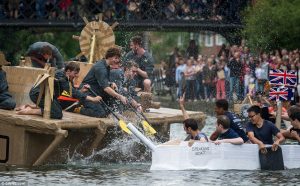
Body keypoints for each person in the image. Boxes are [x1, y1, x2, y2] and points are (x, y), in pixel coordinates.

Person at [17, 62, 102, 119]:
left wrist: (81, 90)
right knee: (57, 114)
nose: (77, 76)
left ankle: (29, 106)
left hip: (45, 95)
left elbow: (72, 92)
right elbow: (73, 93)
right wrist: (93, 99)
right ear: (68, 71)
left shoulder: (66, 76)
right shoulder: (61, 77)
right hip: (38, 94)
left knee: (61, 105)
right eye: (75, 73)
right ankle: (30, 111)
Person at [80, 47, 128, 117]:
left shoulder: (106, 66)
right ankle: (80, 109)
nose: (117, 60)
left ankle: (117, 113)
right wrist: (120, 96)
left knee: (108, 109)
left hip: (96, 93)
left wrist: (110, 83)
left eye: (118, 58)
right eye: (116, 58)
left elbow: (102, 81)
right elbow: (106, 88)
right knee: (101, 113)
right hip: (88, 93)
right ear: (109, 57)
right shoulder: (101, 68)